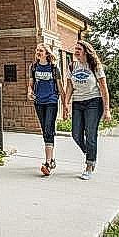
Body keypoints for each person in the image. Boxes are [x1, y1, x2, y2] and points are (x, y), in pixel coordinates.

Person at [65, 40, 111, 180]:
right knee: (76, 135)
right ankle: (90, 152)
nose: (76, 51)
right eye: (75, 48)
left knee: (91, 134)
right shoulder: (72, 66)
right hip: (78, 103)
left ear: (85, 50)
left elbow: (103, 88)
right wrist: (66, 104)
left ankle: (89, 165)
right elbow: (70, 87)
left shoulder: (95, 66)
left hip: (93, 102)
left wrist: (107, 109)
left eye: (79, 49)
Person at [28, 43, 66, 176]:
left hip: (51, 100)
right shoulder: (33, 67)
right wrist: (29, 92)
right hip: (38, 101)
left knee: (49, 129)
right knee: (45, 130)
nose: (38, 52)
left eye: (41, 50)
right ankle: (52, 159)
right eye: (37, 50)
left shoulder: (54, 68)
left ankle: (48, 163)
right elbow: (31, 84)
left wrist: (65, 106)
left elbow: (60, 87)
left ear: (47, 53)